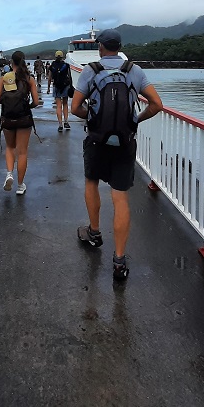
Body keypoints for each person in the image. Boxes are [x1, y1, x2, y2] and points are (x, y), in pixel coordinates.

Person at [70, 29, 163, 280]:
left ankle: (94, 232)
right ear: (120, 47)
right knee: (120, 197)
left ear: (100, 46)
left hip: (97, 141)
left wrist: (92, 119)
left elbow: (75, 107)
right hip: (125, 141)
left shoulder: (91, 70)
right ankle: (119, 261)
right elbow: (157, 104)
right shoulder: (134, 70)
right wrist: (135, 120)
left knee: (91, 182)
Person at [0, 50, 40, 195]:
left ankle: (9, 174)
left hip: (8, 118)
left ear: (11, 62)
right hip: (24, 118)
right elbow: (36, 101)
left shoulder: (4, 78)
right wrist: (28, 106)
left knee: (9, 147)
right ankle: (20, 186)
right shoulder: (29, 78)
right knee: (22, 152)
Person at [49, 51, 72, 132]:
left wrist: (48, 88)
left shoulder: (53, 66)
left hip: (56, 86)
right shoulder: (66, 65)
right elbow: (69, 76)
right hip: (65, 86)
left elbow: (50, 77)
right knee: (65, 104)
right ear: (63, 57)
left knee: (58, 105)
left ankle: (60, 124)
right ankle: (66, 121)